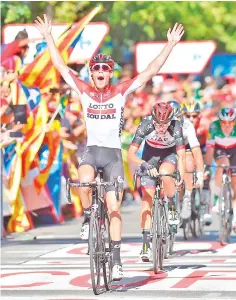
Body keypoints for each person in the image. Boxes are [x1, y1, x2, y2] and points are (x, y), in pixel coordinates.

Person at [34, 14, 184, 280]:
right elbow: (59, 65)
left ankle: (116, 260)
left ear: (110, 73)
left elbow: (150, 70)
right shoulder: (83, 90)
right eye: (97, 69)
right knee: (84, 181)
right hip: (92, 151)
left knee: (114, 207)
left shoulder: (120, 91)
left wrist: (170, 45)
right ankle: (87, 218)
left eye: (105, 69)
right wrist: (48, 37)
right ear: (91, 73)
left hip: (113, 156)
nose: (101, 73)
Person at [127, 102, 185, 261]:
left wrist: (180, 175)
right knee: (147, 198)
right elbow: (130, 154)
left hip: (169, 155)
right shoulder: (145, 124)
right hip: (149, 157)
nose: (161, 127)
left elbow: (181, 155)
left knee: (166, 174)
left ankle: (172, 204)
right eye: (158, 123)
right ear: (152, 119)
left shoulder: (176, 126)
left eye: (165, 123)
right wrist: (144, 164)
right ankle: (145, 244)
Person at [169, 100, 204, 220]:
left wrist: (200, 172)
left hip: (184, 150)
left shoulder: (187, 124)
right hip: (167, 151)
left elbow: (196, 149)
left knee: (188, 158)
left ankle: (187, 197)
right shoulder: (159, 124)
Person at [205, 107, 236, 231]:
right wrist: (207, 167)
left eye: (230, 122)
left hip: (234, 150)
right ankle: (218, 197)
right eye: (223, 122)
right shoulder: (213, 127)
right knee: (222, 164)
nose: (227, 126)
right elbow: (209, 151)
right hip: (220, 150)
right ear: (219, 121)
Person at [181, 100, 212, 224]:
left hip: (203, 148)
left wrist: (206, 166)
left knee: (206, 174)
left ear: (199, 115)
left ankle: (206, 209)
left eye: (194, 116)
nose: (191, 119)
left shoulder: (205, 125)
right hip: (186, 148)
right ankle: (183, 202)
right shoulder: (182, 125)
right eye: (187, 116)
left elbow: (211, 146)